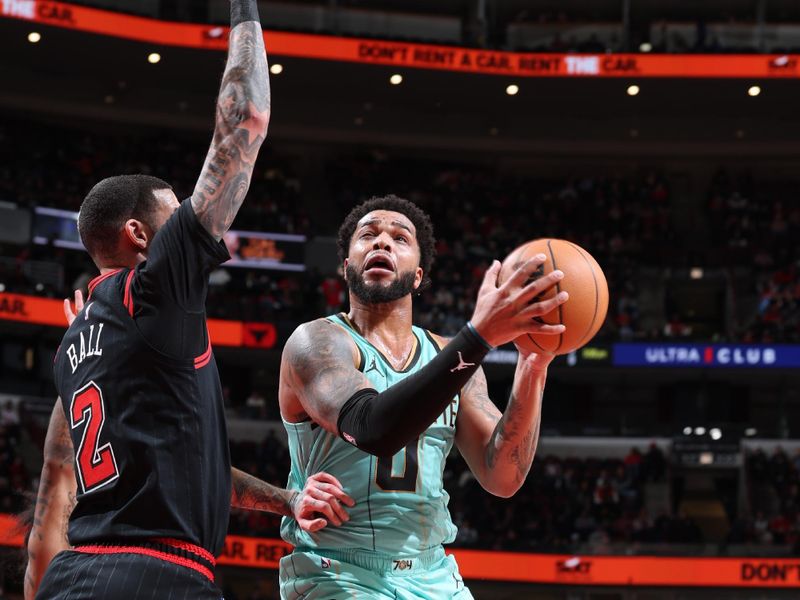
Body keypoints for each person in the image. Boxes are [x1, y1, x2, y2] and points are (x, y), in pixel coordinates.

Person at [25, 3, 352, 598]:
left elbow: (184, 470)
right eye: (176, 212)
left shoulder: (74, 344)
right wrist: (245, 8)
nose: (193, 225)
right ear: (139, 235)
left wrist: (286, 499)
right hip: (156, 574)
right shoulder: (152, 291)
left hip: (78, 571)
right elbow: (245, 122)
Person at [278, 195, 569, 598]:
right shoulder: (317, 342)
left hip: (433, 573)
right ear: (346, 267)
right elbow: (373, 429)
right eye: (368, 235)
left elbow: (503, 476)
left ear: (417, 276)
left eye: (400, 237)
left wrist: (533, 366)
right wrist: (478, 337)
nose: (382, 242)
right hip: (339, 569)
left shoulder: (455, 359)